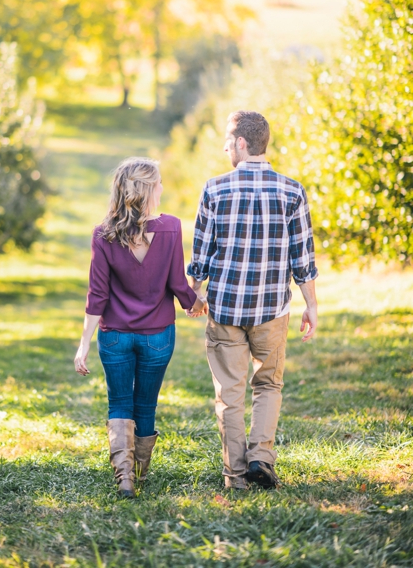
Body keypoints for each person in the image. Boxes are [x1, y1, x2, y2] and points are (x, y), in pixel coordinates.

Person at [187, 110, 318, 491]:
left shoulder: (214, 189)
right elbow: (303, 259)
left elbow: (200, 256)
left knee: (229, 394)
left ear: (242, 144)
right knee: (268, 385)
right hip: (271, 310)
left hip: (225, 309)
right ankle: (261, 458)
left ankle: (235, 476)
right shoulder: (292, 191)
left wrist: (194, 294)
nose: (226, 147)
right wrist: (311, 305)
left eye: (229, 142)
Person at [74, 157, 206, 498]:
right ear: (148, 190)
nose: (162, 188)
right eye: (159, 183)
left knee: (119, 403)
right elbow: (178, 282)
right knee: (145, 405)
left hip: (114, 335)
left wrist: (84, 343)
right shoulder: (172, 227)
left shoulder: (103, 234)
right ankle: (139, 475)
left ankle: (125, 479)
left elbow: (97, 294)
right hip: (158, 336)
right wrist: (195, 303)